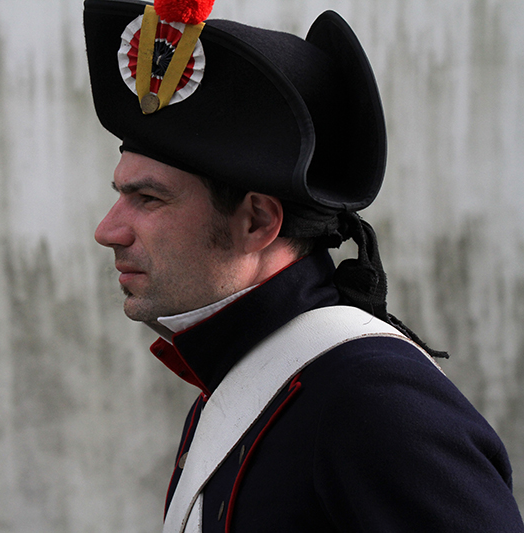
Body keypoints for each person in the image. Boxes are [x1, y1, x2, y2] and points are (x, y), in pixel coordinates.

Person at [84, 0, 524, 531]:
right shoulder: (250, 376)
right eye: (121, 194)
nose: (108, 230)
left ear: (257, 222)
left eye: (148, 199)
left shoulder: (372, 401)